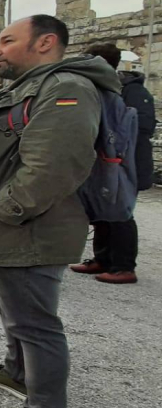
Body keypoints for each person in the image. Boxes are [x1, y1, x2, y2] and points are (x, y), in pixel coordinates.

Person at [0, 14, 121, 408]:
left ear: (45, 43)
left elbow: (53, 166)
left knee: (36, 323)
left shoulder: (65, 89)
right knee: (3, 300)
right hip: (5, 229)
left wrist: (5, 213)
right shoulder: (25, 88)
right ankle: (17, 371)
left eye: (6, 40)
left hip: (28, 230)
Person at [70, 44, 155, 285]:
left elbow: (141, 128)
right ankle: (103, 259)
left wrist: (116, 154)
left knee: (121, 214)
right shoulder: (107, 89)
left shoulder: (132, 91)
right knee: (102, 211)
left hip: (128, 164)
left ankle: (124, 266)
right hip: (110, 163)